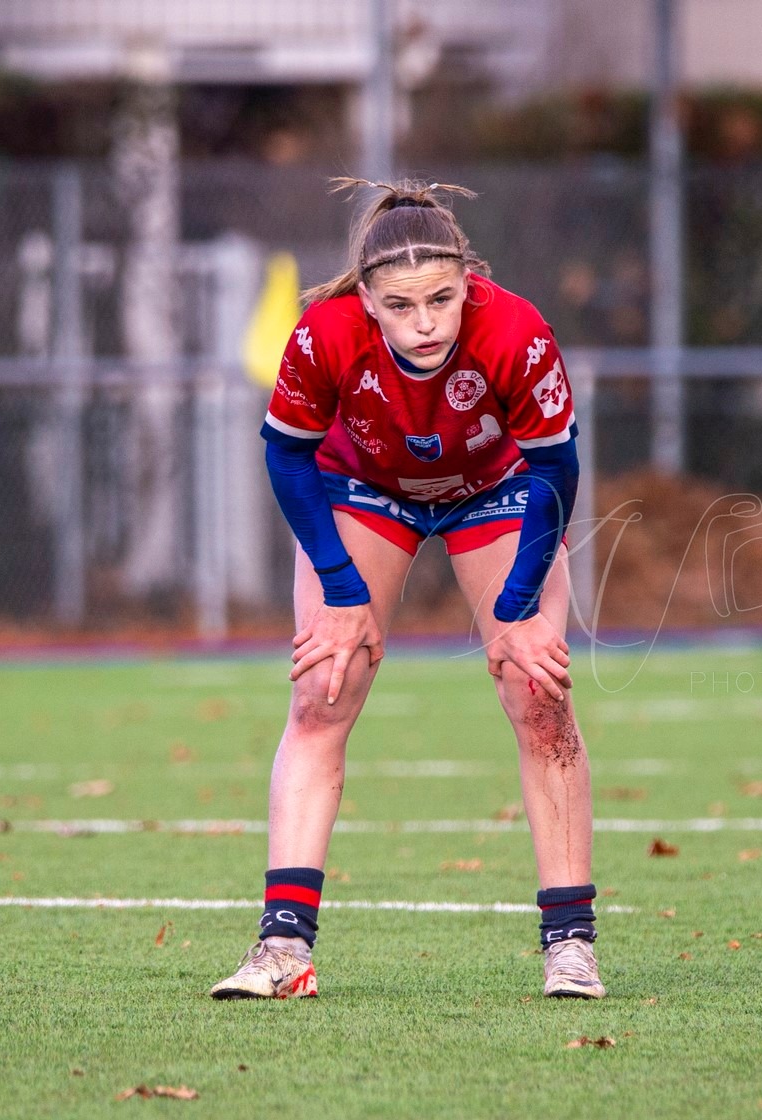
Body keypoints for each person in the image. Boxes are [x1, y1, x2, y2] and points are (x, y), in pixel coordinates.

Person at [209, 179, 606, 1001]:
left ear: (469, 282)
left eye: (442, 299)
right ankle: (283, 948)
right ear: (366, 300)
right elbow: (286, 456)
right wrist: (341, 587)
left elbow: (557, 470)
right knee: (325, 686)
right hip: (365, 486)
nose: (425, 323)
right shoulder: (323, 334)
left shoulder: (517, 332)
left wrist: (520, 606)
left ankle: (570, 945)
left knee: (539, 691)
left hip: (496, 489)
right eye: (400, 305)